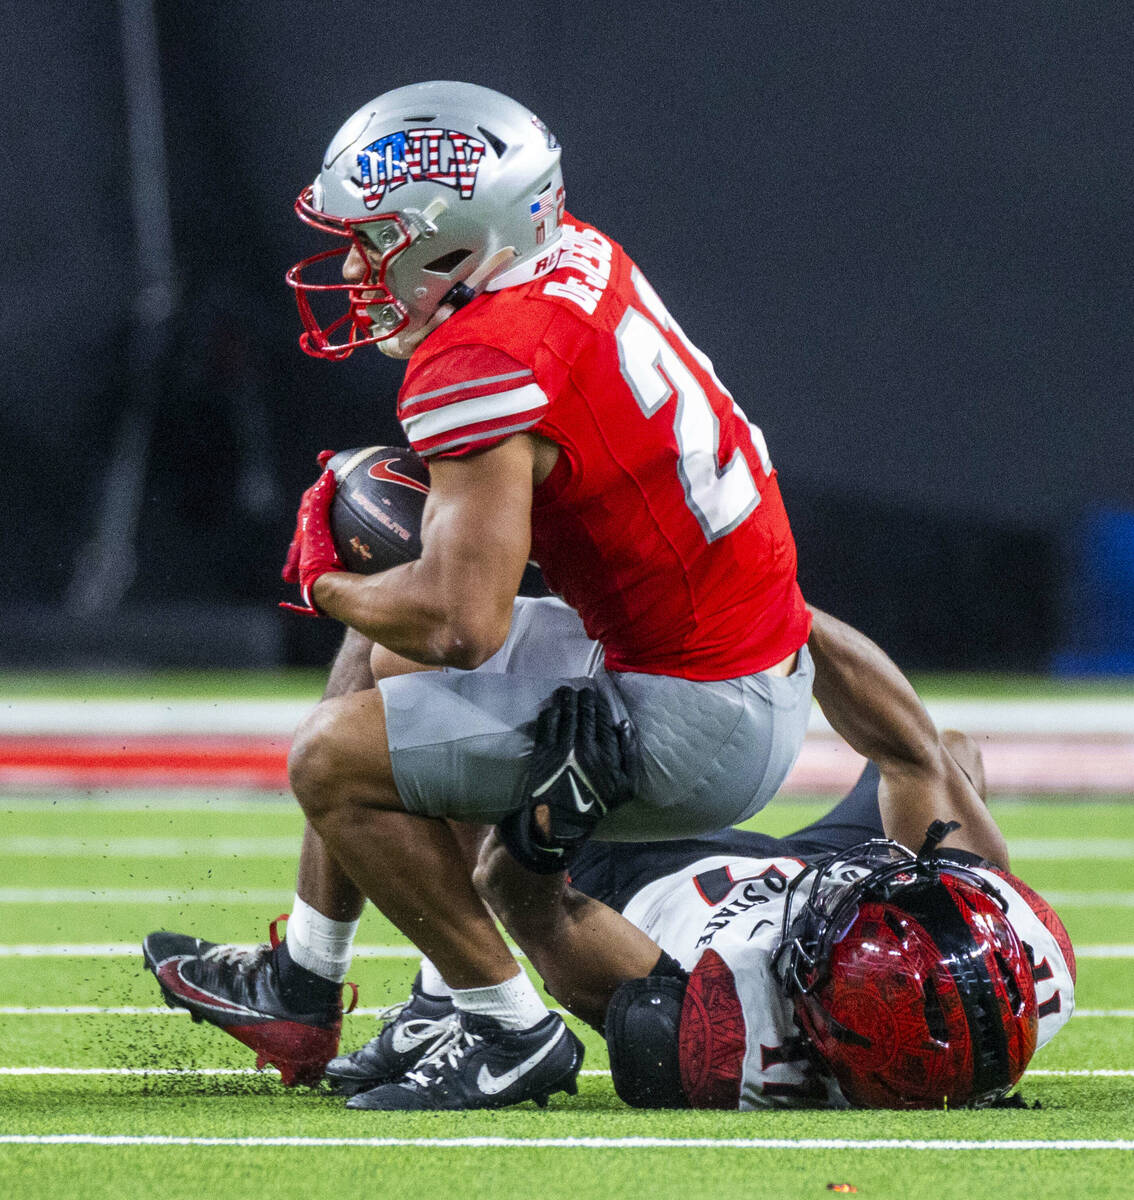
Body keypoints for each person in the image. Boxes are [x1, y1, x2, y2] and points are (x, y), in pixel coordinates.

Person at [143, 79, 813, 1109]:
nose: (358, 268)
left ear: (448, 239)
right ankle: (307, 982)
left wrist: (324, 581)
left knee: (334, 753)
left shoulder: (481, 356)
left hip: (695, 709)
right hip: (715, 656)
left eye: (375, 241)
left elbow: (463, 626)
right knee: (385, 659)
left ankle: (506, 1030)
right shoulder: (564, 252)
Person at [331, 608, 1076, 1110]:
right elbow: (913, 751)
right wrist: (775, 612)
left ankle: (443, 995)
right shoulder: (1020, 954)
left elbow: (525, 897)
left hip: (646, 882)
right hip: (806, 867)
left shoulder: (727, 1038)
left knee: (404, 663)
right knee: (947, 755)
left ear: (821, 1020)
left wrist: (545, 822)